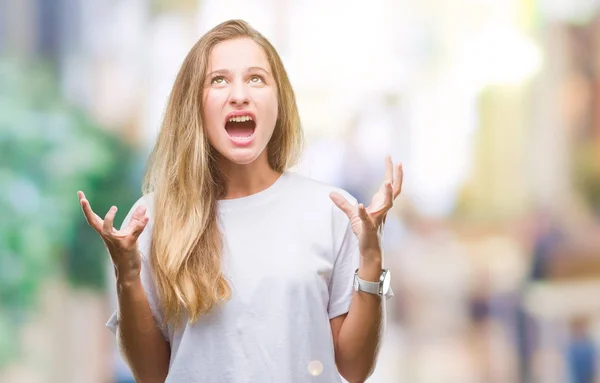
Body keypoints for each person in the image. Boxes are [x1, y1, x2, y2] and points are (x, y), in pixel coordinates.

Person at [77, 19, 402, 383]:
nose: (239, 94)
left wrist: (372, 260)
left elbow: (355, 368)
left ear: (279, 102)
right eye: (219, 80)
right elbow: (152, 375)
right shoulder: (152, 217)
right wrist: (128, 276)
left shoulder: (331, 210)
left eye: (256, 78)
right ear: (194, 105)